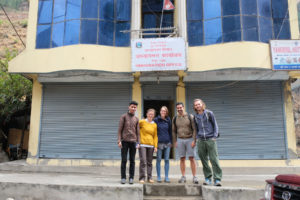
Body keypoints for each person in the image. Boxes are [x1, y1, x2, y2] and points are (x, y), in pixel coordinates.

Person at [193, 99, 222, 186]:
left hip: (210, 139)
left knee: (214, 159)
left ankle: (217, 179)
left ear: (202, 104)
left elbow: (215, 125)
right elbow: (196, 128)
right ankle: (207, 178)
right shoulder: (195, 117)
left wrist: (214, 136)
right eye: (196, 105)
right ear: (194, 107)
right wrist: (197, 138)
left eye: (199, 104)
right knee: (204, 160)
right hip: (201, 140)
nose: (197, 106)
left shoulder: (209, 113)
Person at [172, 102, 198, 184]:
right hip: (180, 140)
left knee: (192, 158)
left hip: (190, 139)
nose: (179, 109)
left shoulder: (190, 117)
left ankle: (194, 177)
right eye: (178, 108)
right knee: (182, 158)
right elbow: (173, 131)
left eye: (180, 107)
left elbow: (194, 129)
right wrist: (175, 141)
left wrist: (194, 140)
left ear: (183, 107)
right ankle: (183, 176)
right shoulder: (175, 118)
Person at [117, 101, 140, 184]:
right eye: (132, 107)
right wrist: (119, 141)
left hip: (133, 142)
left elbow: (138, 132)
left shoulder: (136, 119)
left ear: (136, 108)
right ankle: (123, 177)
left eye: (135, 107)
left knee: (132, 161)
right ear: (129, 107)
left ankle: (131, 178)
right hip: (124, 141)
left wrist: (138, 143)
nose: (133, 108)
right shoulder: (123, 117)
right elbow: (119, 130)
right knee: (124, 160)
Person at [139, 108, 158, 183]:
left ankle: (149, 177)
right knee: (143, 161)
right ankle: (142, 178)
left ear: (154, 116)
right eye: (149, 114)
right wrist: (137, 141)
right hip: (143, 144)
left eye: (152, 114)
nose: (151, 115)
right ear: (147, 114)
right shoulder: (142, 122)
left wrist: (155, 146)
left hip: (151, 146)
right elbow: (136, 128)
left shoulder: (154, 125)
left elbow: (155, 136)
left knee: (150, 162)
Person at [154, 106, 172, 183]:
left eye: (165, 111)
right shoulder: (156, 120)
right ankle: (158, 177)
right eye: (162, 110)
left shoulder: (168, 120)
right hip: (159, 143)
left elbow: (170, 131)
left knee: (167, 160)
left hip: (167, 143)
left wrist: (171, 141)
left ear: (166, 112)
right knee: (158, 160)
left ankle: (167, 176)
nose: (163, 112)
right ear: (160, 111)